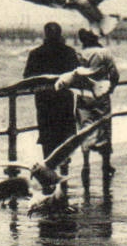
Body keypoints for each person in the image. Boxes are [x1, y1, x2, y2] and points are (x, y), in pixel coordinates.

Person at [24, 22, 80, 157]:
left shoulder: (36, 53)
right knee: (65, 132)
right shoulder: (69, 52)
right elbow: (77, 75)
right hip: (64, 98)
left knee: (47, 135)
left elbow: (27, 77)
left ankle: (49, 165)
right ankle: (64, 164)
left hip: (44, 99)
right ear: (60, 34)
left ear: (46, 34)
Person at [74, 29, 119, 175]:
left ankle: (86, 165)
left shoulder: (78, 54)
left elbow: (73, 76)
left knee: (84, 128)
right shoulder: (105, 53)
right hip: (101, 95)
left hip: (84, 96)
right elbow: (114, 75)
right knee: (104, 127)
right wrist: (110, 88)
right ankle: (106, 164)